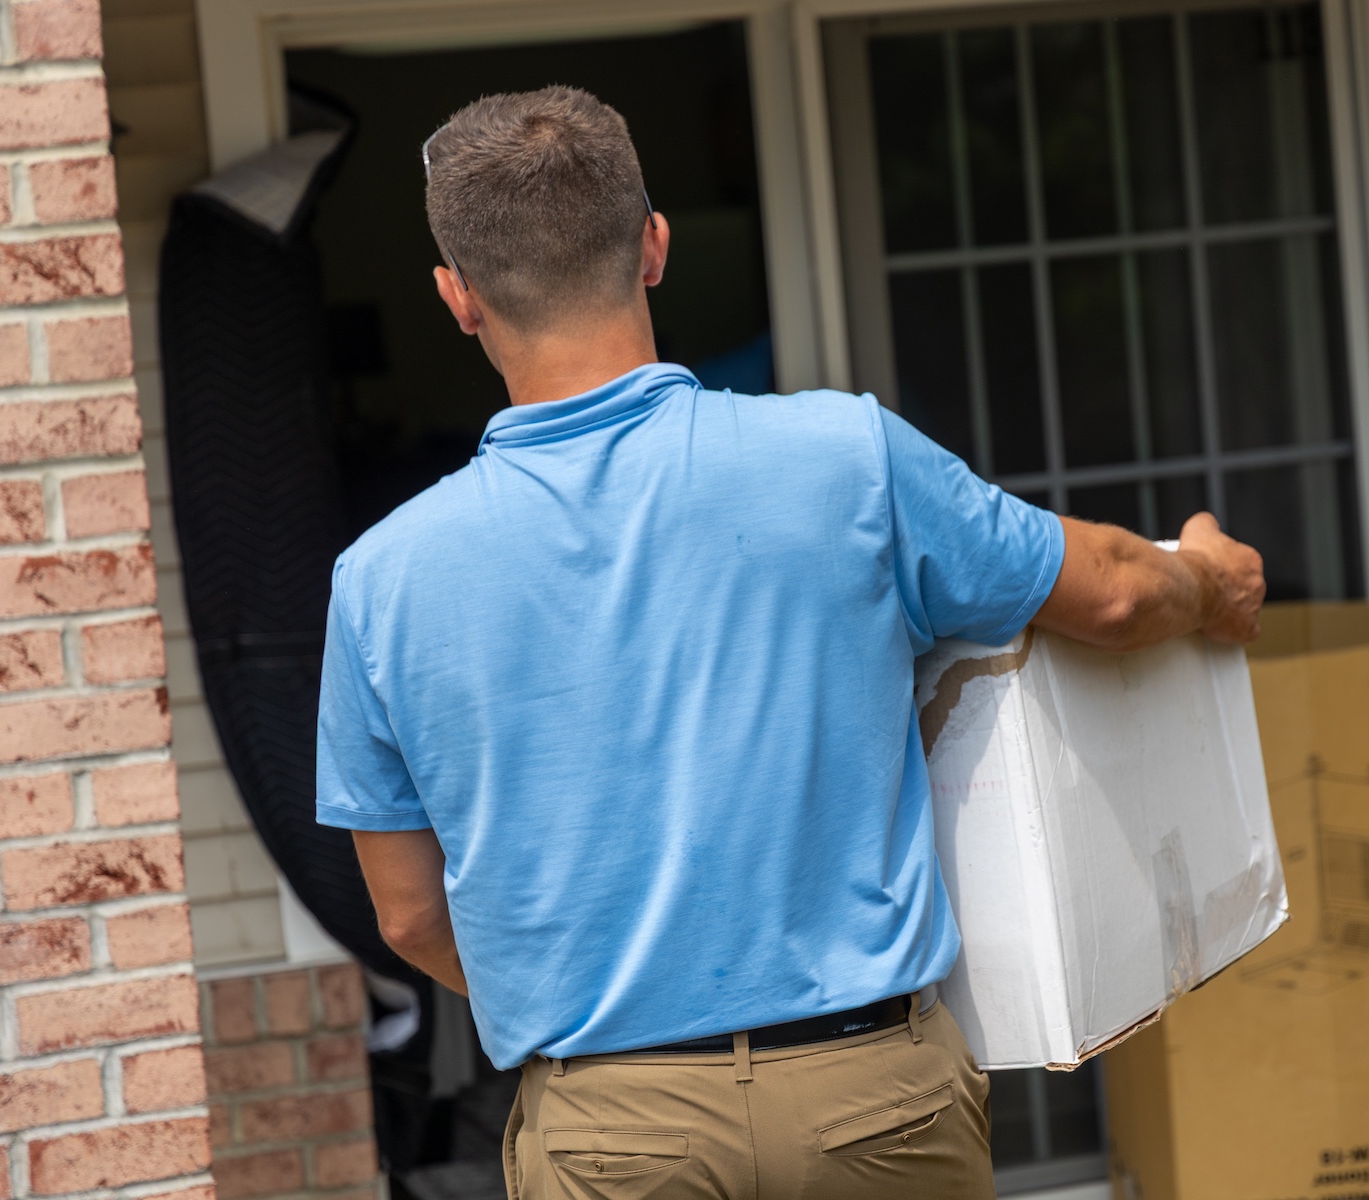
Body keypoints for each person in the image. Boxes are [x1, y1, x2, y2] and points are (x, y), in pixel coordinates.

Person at [315, 86, 1265, 1200]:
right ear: (654, 244)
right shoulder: (843, 459)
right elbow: (1107, 595)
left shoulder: (380, 580)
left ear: (457, 298)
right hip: (872, 1107)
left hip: (612, 1126)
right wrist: (1208, 578)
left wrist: (610, 1002)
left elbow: (413, 916)